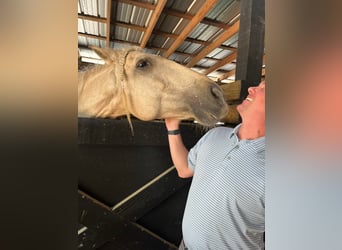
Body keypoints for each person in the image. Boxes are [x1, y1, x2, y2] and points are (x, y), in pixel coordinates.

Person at [165, 81, 265, 249]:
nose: (251, 88)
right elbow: (184, 169)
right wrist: (172, 127)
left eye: (264, 88)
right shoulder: (215, 135)